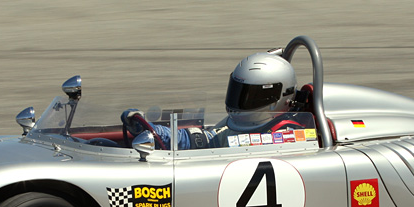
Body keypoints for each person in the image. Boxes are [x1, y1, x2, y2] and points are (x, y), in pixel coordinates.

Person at [121, 50, 312, 149]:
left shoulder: (291, 134)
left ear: (280, 97)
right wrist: (153, 130)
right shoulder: (237, 125)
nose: (241, 100)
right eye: (239, 91)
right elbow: (204, 139)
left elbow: (219, 143)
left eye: (251, 95)